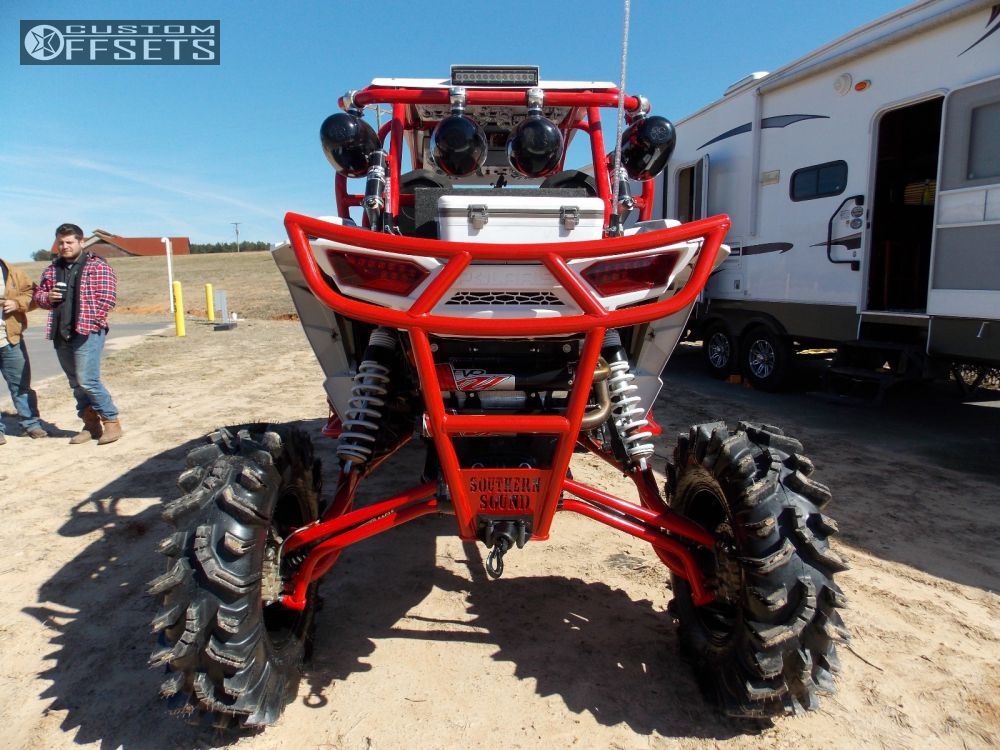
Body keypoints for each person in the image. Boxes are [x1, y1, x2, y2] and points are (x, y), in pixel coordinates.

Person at [34, 223, 123, 444]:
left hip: (88, 332)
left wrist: (91, 321)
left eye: (69, 242)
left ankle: (111, 421)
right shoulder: (52, 269)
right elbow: (39, 297)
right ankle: (90, 425)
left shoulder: (97, 266)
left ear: (81, 242)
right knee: (75, 383)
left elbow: (108, 298)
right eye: (61, 242)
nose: (64, 246)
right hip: (60, 333)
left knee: (88, 380)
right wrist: (47, 298)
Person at [0, 257, 47, 444]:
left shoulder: (12, 272)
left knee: (21, 385)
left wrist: (16, 303)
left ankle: (31, 423)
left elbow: (33, 296)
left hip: (10, 339)